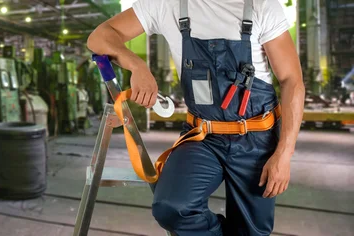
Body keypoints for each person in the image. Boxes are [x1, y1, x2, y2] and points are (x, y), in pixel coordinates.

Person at [87, 0, 305, 235]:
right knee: (172, 207)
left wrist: (283, 154)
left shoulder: (260, 5)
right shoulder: (167, 4)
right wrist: (137, 66)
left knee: (252, 231)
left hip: (257, 141)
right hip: (203, 137)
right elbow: (99, 37)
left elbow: (292, 80)